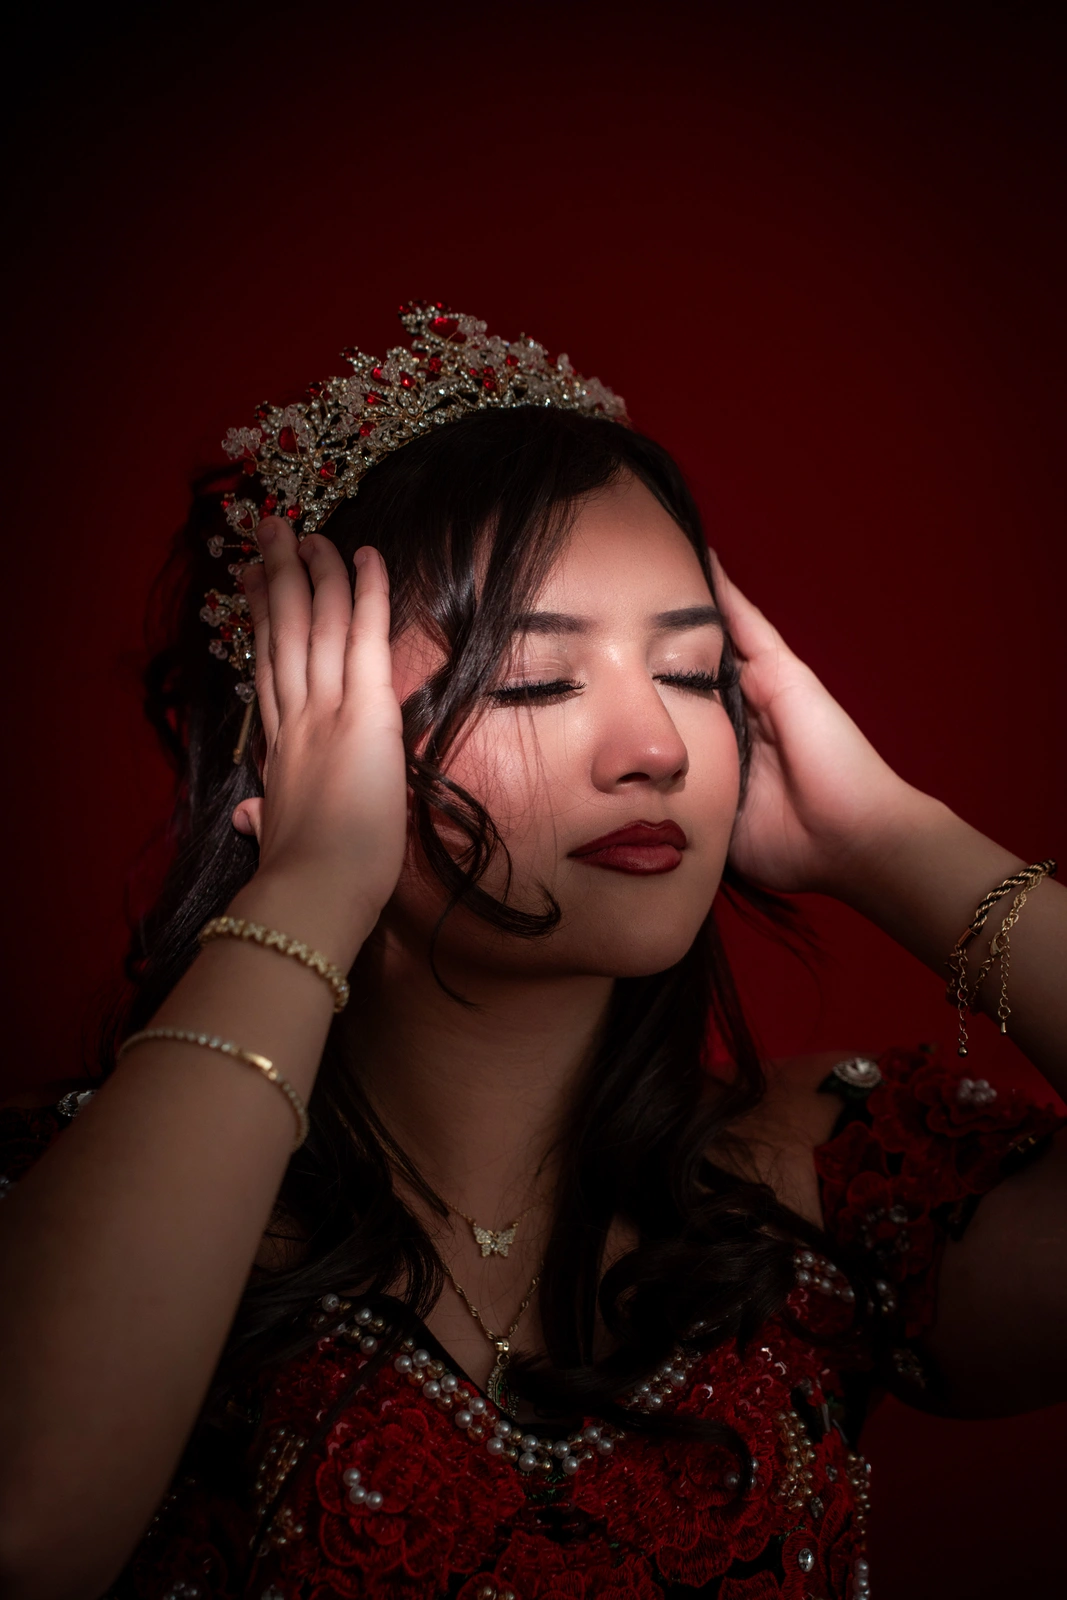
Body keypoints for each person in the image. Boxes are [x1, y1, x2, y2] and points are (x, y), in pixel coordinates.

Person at [0, 303, 1063, 1600]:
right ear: (295, 743)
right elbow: (29, 1527)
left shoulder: (818, 1199)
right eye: (530, 683)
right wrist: (312, 885)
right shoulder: (81, 1203)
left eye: (692, 672)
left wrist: (893, 838)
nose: (656, 749)